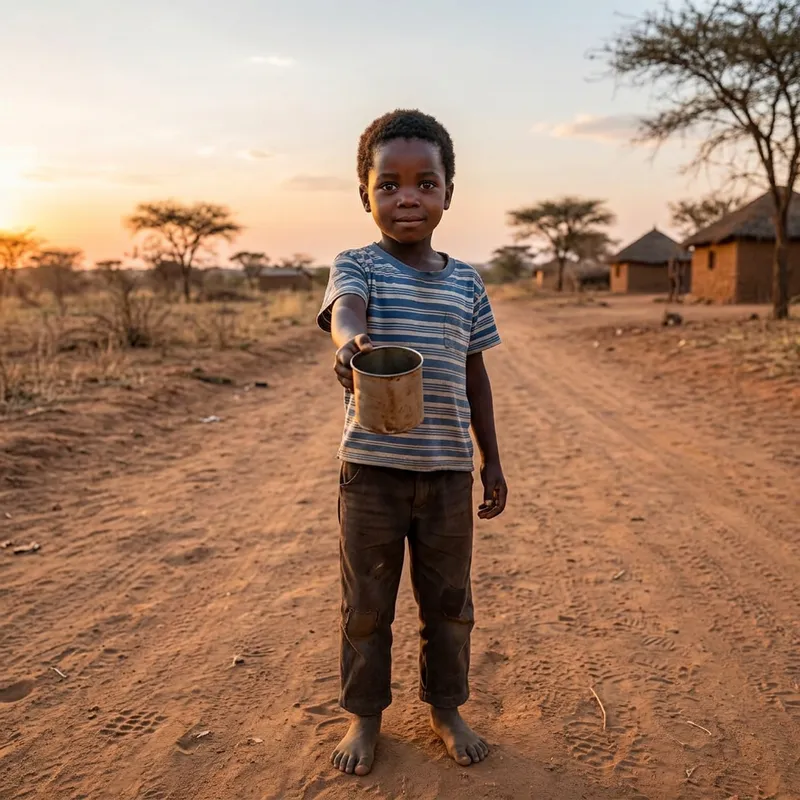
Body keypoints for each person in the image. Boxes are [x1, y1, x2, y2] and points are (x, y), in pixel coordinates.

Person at [316, 109, 508, 777]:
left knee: (449, 606)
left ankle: (446, 708)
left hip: (449, 472)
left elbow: (475, 373)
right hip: (371, 471)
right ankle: (363, 716)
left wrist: (493, 463)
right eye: (389, 184)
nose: (407, 198)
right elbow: (346, 309)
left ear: (448, 192)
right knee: (366, 604)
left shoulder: (466, 281)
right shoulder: (358, 266)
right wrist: (351, 344)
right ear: (364, 193)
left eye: (425, 183)